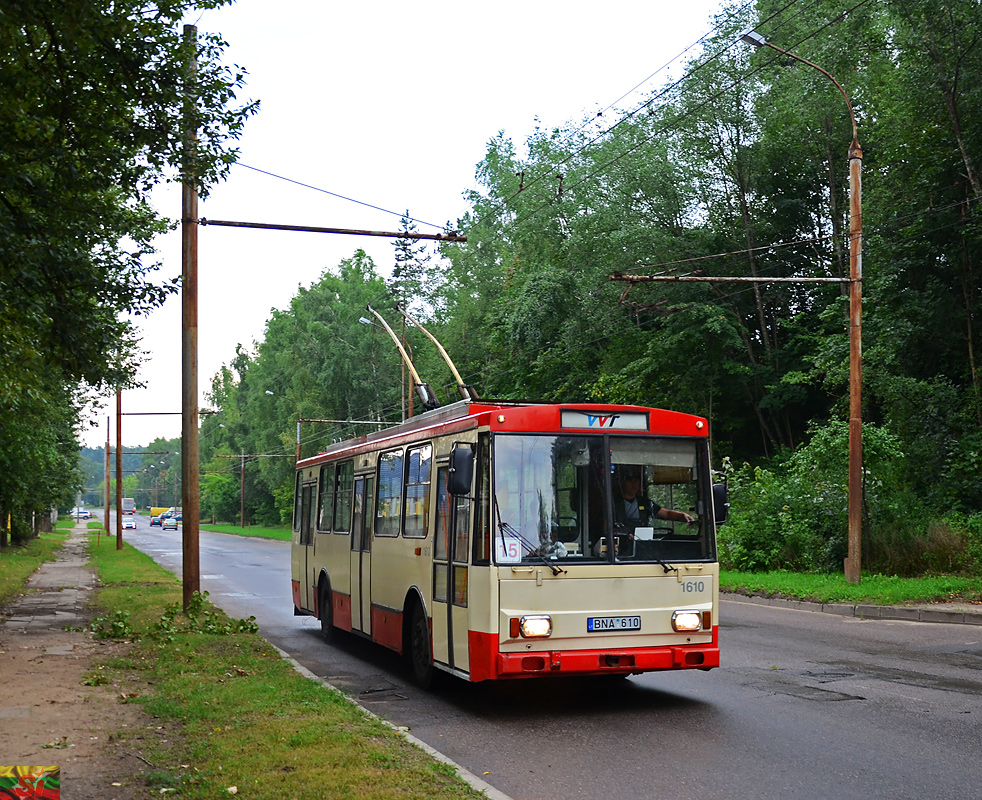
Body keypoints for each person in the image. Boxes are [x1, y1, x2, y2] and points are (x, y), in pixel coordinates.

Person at [613, 467, 694, 538]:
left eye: (636, 481)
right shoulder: (613, 504)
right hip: (622, 546)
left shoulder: (645, 503)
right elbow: (608, 526)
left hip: (644, 543)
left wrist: (682, 515)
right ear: (622, 483)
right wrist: (624, 535)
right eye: (630, 481)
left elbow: (666, 514)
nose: (634, 484)